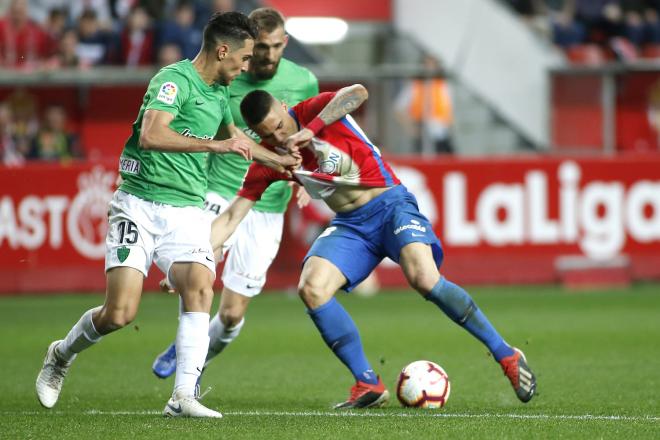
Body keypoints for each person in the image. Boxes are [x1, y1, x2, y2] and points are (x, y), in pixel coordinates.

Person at [207, 85, 537, 409]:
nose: (279, 138)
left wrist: (311, 130)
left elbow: (359, 93)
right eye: (269, 135)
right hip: (351, 226)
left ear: (283, 106)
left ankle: (506, 354)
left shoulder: (313, 111)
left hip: (390, 204)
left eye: (279, 126)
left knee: (425, 279)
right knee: (312, 288)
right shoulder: (272, 159)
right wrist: (197, 257)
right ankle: (368, 382)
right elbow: (234, 214)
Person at [35, 11, 296, 419]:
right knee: (119, 313)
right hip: (138, 204)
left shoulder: (218, 94)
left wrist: (281, 162)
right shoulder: (173, 81)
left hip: (187, 210)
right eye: (243, 58)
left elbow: (236, 140)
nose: (246, 66)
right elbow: (151, 135)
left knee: (200, 286)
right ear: (222, 50)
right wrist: (213, 147)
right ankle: (61, 354)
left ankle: (183, 396)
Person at [151, 7, 319, 384]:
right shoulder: (227, 77)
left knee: (230, 315)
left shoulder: (304, 81)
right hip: (221, 190)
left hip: (268, 204)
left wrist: (299, 179)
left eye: (277, 47)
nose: (268, 55)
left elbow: (305, 136)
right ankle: (187, 367)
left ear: (285, 43)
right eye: (260, 47)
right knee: (200, 269)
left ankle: (194, 353)